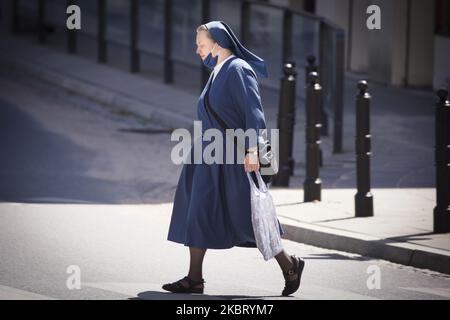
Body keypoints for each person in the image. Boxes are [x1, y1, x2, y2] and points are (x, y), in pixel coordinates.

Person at [162, 21, 305, 296]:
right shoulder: (218, 71)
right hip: (208, 158)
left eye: (200, 45)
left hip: (232, 159)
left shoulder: (238, 69)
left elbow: (255, 112)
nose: (197, 50)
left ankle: (289, 265)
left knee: (249, 217)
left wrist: (253, 149)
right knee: (199, 210)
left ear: (217, 43)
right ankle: (194, 278)